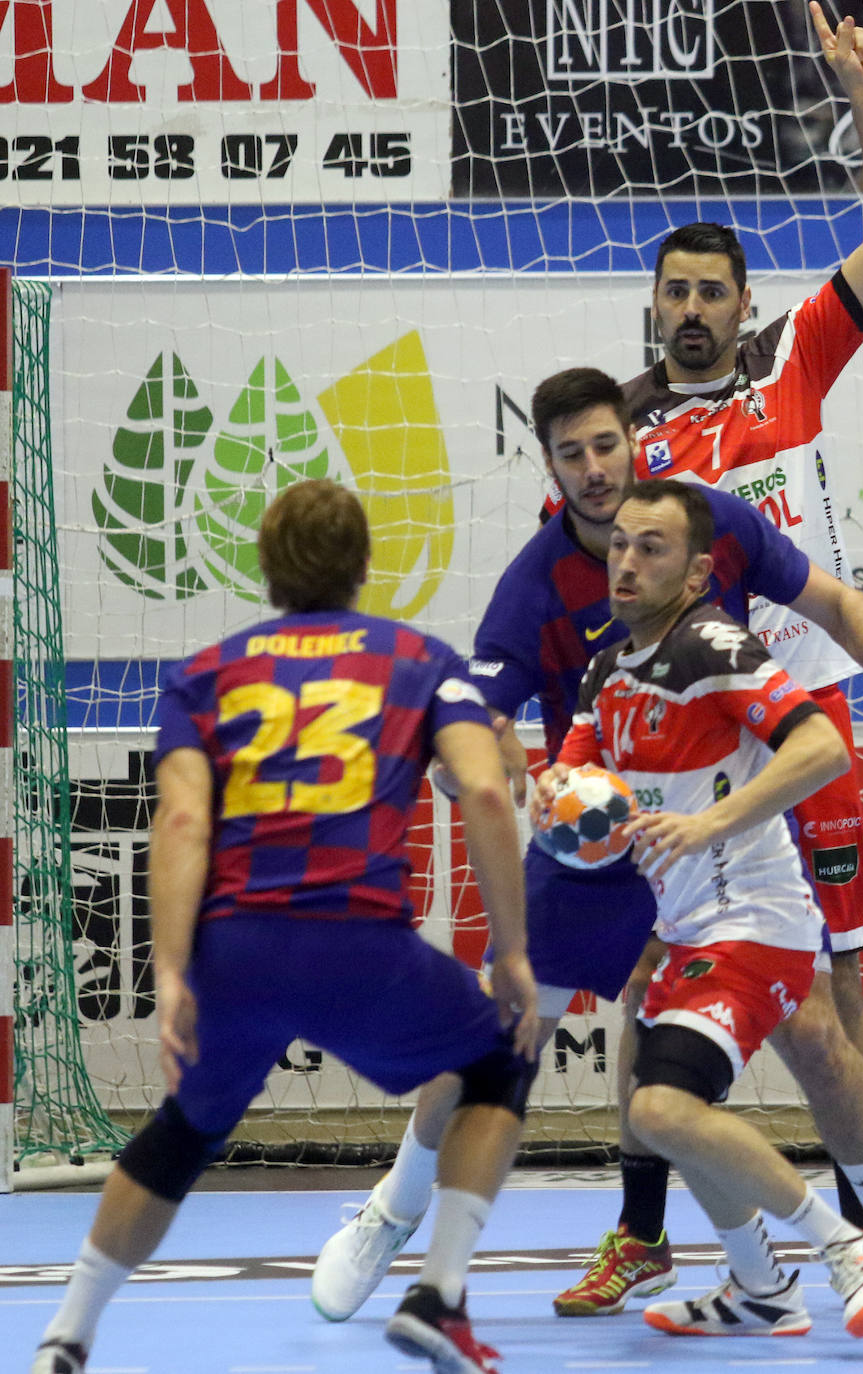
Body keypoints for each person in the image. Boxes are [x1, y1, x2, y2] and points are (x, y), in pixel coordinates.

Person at [310, 366, 863, 1332]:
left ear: (637, 441)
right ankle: (390, 1215)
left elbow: (831, 602)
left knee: (817, 1040)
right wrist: (510, 786)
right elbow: (481, 727)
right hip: (594, 840)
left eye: (605, 446)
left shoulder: (708, 528)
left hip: (721, 822)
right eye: (571, 455)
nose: (593, 470)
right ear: (549, 468)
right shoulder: (538, 587)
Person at [554, 0, 863, 1327]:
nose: (692, 310)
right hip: (683, 752)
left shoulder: (787, 377)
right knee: (657, 1001)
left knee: (832, 1014)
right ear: (653, 307)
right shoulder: (619, 441)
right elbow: (590, 577)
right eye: (673, 293)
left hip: (804, 735)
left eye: (712, 293)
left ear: (745, 307)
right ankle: (667, 1243)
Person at [29, 479, 539, 1374]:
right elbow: (488, 790)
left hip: (238, 949)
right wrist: (516, 955)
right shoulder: (421, 658)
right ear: (364, 566)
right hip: (359, 943)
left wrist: (176, 971)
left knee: (181, 1133)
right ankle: (438, 1295)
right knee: (501, 1059)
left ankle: (66, 1336)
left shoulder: (204, 674)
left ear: (264, 568)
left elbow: (182, 824)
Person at [536, 479, 863, 1340]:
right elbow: (574, 773)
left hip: (756, 922)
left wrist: (707, 822)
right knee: (663, 1110)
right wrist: (551, 794)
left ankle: (853, 1249)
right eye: (621, 544)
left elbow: (818, 746)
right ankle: (758, 1288)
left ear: (701, 570)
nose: (626, 562)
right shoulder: (608, 665)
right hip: (687, 929)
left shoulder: (713, 643)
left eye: (652, 548)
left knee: (661, 1111)